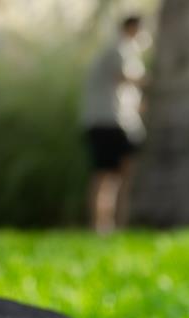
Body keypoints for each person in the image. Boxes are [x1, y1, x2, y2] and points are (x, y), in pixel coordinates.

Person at [81, 15, 147, 234]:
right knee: (105, 176)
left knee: (121, 177)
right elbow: (125, 77)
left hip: (123, 124)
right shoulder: (117, 50)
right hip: (107, 122)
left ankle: (117, 226)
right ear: (133, 28)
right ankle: (101, 226)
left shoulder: (128, 53)